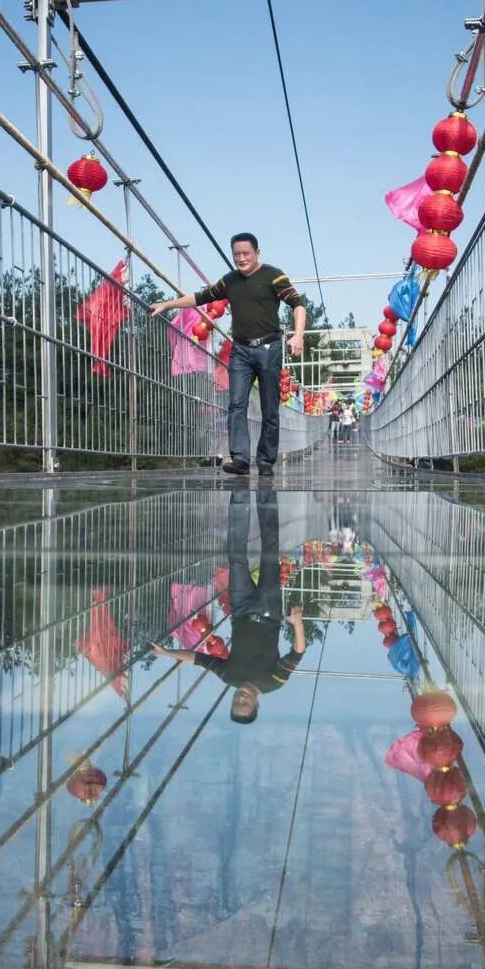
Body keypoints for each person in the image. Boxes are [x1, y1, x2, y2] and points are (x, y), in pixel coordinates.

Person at [151, 232, 306, 476]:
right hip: (241, 349)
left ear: (257, 253)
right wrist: (168, 304)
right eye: (237, 255)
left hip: (269, 348)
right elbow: (200, 298)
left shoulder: (274, 276)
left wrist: (298, 335)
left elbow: (298, 304)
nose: (241, 258)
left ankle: (266, 461)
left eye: (246, 253)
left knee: (269, 406)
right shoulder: (230, 281)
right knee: (236, 403)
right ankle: (241, 459)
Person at [151, 487, 304, 724]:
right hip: (268, 610)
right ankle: (266, 493)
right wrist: (297, 623)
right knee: (269, 551)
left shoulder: (228, 677)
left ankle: (239, 495)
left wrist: (166, 653)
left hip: (240, 610)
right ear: (256, 704)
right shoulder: (273, 683)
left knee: (236, 556)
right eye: (245, 703)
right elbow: (297, 653)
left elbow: (198, 659)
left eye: (236, 702)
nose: (240, 698)